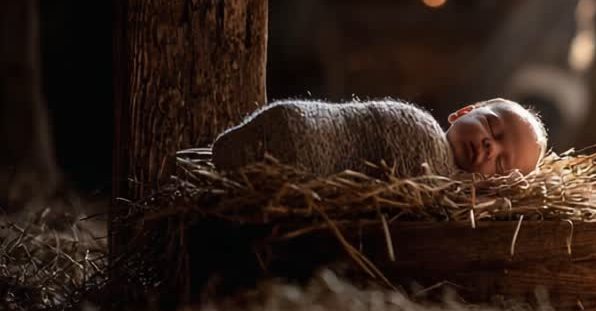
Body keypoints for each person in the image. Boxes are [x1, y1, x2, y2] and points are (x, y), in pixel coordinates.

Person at [211, 97, 547, 178]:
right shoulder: (421, 137)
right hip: (299, 133)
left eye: (501, 162)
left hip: (290, 118)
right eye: (492, 127)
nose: (491, 145)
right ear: (463, 111)